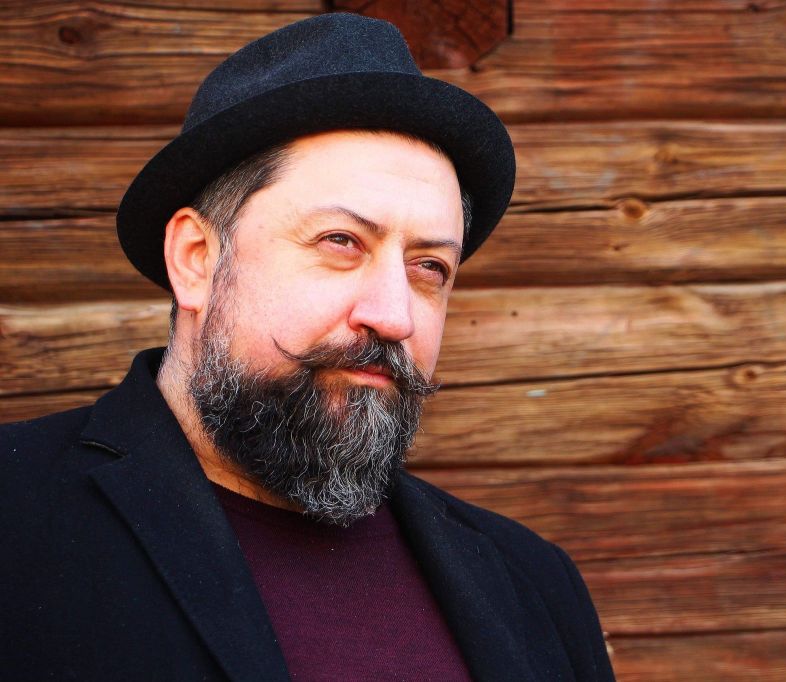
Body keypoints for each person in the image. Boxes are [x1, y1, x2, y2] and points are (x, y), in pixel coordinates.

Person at [0, 13, 615, 681]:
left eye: (429, 267)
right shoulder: (17, 516)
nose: (393, 317)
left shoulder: (533, 584)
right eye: (340, 242)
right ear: (197, 258)